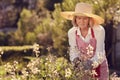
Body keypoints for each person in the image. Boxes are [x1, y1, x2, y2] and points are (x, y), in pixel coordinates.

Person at [61, 2, 109, 80]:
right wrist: (76, 62)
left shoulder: (99, 30)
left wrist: (90, 64)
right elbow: (73, 51)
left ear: (89, 19)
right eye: (79, 18)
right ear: (75, 19)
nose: (82, 21)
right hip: (82, 68)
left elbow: (100, 53)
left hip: (99, 66)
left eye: (85, 18)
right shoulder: (72, 32)